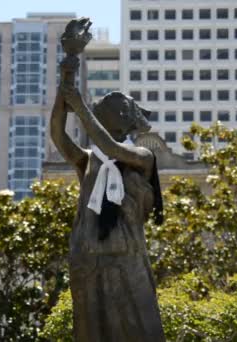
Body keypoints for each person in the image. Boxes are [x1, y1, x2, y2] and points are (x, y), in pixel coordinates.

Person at [50, 57, 166, 341]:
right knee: (90, 333)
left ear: (125, 118)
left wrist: (78, 105)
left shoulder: (141, 157)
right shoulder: (88, 161)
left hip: (128, 259)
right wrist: (66, 78)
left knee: (141, 331)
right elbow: (58, 135)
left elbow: (109, 146)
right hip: (87, 260)